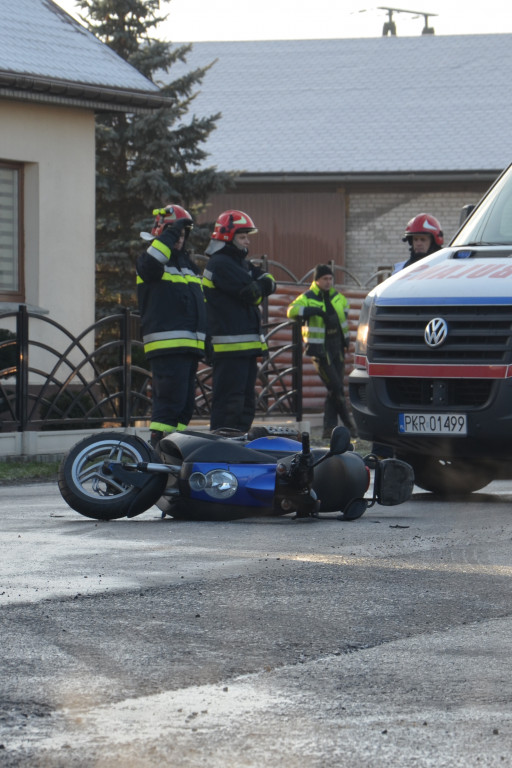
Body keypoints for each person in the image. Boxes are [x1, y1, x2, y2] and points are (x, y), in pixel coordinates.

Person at [136, 204, 207, 447]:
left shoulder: (188, 266)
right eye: (176, 233)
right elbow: (152, 263)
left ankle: (173, 448)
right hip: (167, 347)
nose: (180, 238)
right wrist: (168, 233)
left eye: (183, 234)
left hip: (188, 347)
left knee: (185, 405)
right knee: (168, 403)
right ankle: (156, 449)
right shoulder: (150, 261)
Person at [202, 209, 276, 433]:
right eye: (243, 237)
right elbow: (252, 292)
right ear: (227, 237)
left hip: (244, 348)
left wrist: (261, 283)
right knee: (229, 403)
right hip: (229, 348)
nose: (247, 241)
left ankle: (238, 446)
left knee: (245, 403)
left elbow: (268, 280)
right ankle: (221, 446)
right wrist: (260, 284)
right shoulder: (221, 264)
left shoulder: (238, 264)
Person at [287, 264, 358, 441]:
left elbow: (346, 311)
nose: (328, 282)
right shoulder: (308, 297)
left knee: (334, 390)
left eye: (330, 278)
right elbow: (291, 311)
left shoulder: (338, 297)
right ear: (316, 280)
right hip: (320, 349)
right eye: (324, 279)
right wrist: (314, 311)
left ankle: (329, 429)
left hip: (337, 347)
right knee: (336, 387)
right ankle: (349, 425)